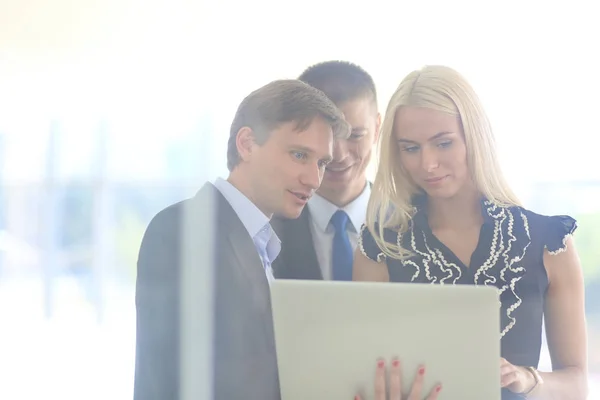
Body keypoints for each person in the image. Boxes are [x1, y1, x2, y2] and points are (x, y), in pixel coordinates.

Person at [134, 79, 440, 400]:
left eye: (321, 162)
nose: (314, 179)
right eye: (299, 155)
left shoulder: (264, 244)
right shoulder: (185, 228)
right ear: (247, 144)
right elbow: (170, 379)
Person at [353, 65, 588, 400]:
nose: (428, 164)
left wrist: (525, 378)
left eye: (443, 143)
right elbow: (367, 374)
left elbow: (578, 384)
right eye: (410, 148)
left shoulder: (549, 242)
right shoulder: (380, 248)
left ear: (474, 136)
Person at [274, 61, 381, 281]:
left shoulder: (415, 225)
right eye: (326, 137)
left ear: (377, 128)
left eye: (355, 136)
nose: (339, 155)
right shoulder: (265, 229)